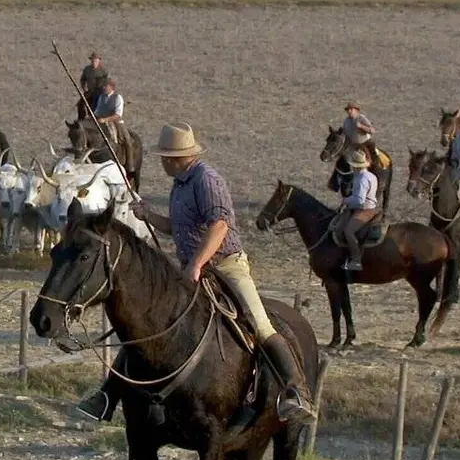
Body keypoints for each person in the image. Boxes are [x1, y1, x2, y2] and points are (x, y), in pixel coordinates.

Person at [75, 123, 317, 431]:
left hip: (226, 265)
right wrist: (149, 216)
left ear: (175, 158)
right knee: (149, 322)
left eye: (164, 157)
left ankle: (296, 391)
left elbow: (220, 227)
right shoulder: (180, 183)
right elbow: (178, 228)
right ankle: (108, 395)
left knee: (260, 324)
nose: (161, 162)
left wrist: (196, 265)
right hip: (192, 266)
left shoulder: (207, 180)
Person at [336, 149, 380, 271]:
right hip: (372, 207)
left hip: (364, 209)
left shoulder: (361, 179)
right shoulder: (371, 176)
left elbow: (359, 201)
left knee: (348, 231)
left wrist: (346, 200)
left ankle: (356, 260)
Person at [93, 78, 132, 166]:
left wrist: (105, 119)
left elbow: (118, 115)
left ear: (111, 87)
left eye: (105, 86)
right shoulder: (101, 97)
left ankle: (130, 163)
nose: (103, 88)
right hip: (101, 123)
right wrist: (92, 116)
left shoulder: (118, 98)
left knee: (127, 140)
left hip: (116, 123)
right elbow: (97, 111)